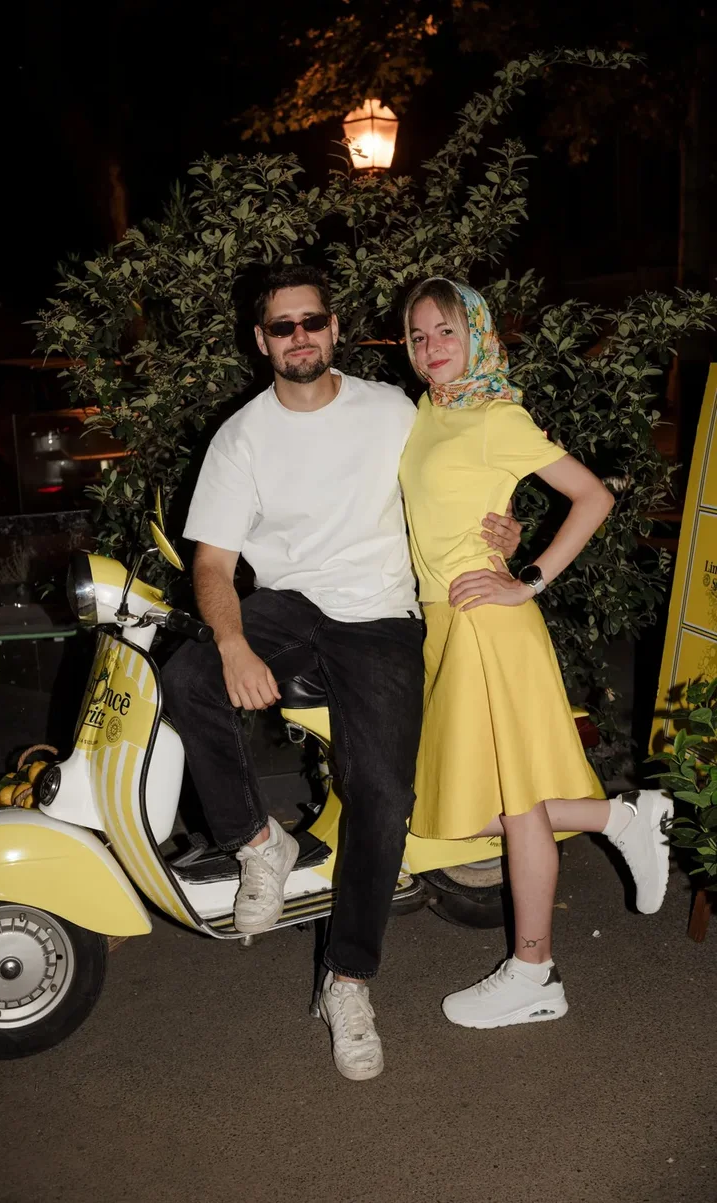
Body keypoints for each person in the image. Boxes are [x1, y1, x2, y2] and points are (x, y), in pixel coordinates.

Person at [162, 264, 521, 1079]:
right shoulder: (242, 437)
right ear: (262, 342)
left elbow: (458, 474)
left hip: (380, 616)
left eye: (311, 321)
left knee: (384, 794)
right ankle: (259, 843)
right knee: (187, 677)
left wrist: (505, 526)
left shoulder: (391, 411)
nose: (299, 337)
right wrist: (233, 644)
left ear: (334, 328)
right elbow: (212, 564)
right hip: (287, 605)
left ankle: (348, 980)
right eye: (281, 326)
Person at [398, 277, 673, 1029]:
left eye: (447, 330)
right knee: (461, 803)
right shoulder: (428, 409)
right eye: (419, 335)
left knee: (514, 807)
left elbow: (594, 496)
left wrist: (529, 579)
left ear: (478, 332)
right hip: (443, 625)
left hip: (488, 624)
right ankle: (618, 818)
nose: (432, 347)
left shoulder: (497, 415)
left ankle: (534, 970)